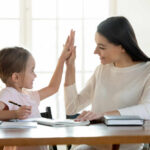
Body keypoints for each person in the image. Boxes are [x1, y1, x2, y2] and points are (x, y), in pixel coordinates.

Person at [64, 16, 150, 150]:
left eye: (101, 47)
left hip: (124, 146)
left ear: (122, 47)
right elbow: (72, 108)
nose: (95, 51)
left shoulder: (146, 71)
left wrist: (105, 115)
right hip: (93, 144)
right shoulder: (102, 70)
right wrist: (70, 66)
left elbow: (147, 109)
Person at [0, 30, 75, 150]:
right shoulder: (8, 94)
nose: (35, 75)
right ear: (16, 77)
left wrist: (62, 60)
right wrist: (14, 113)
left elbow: (53, 88)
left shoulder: (27, 95)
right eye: (32, 70)